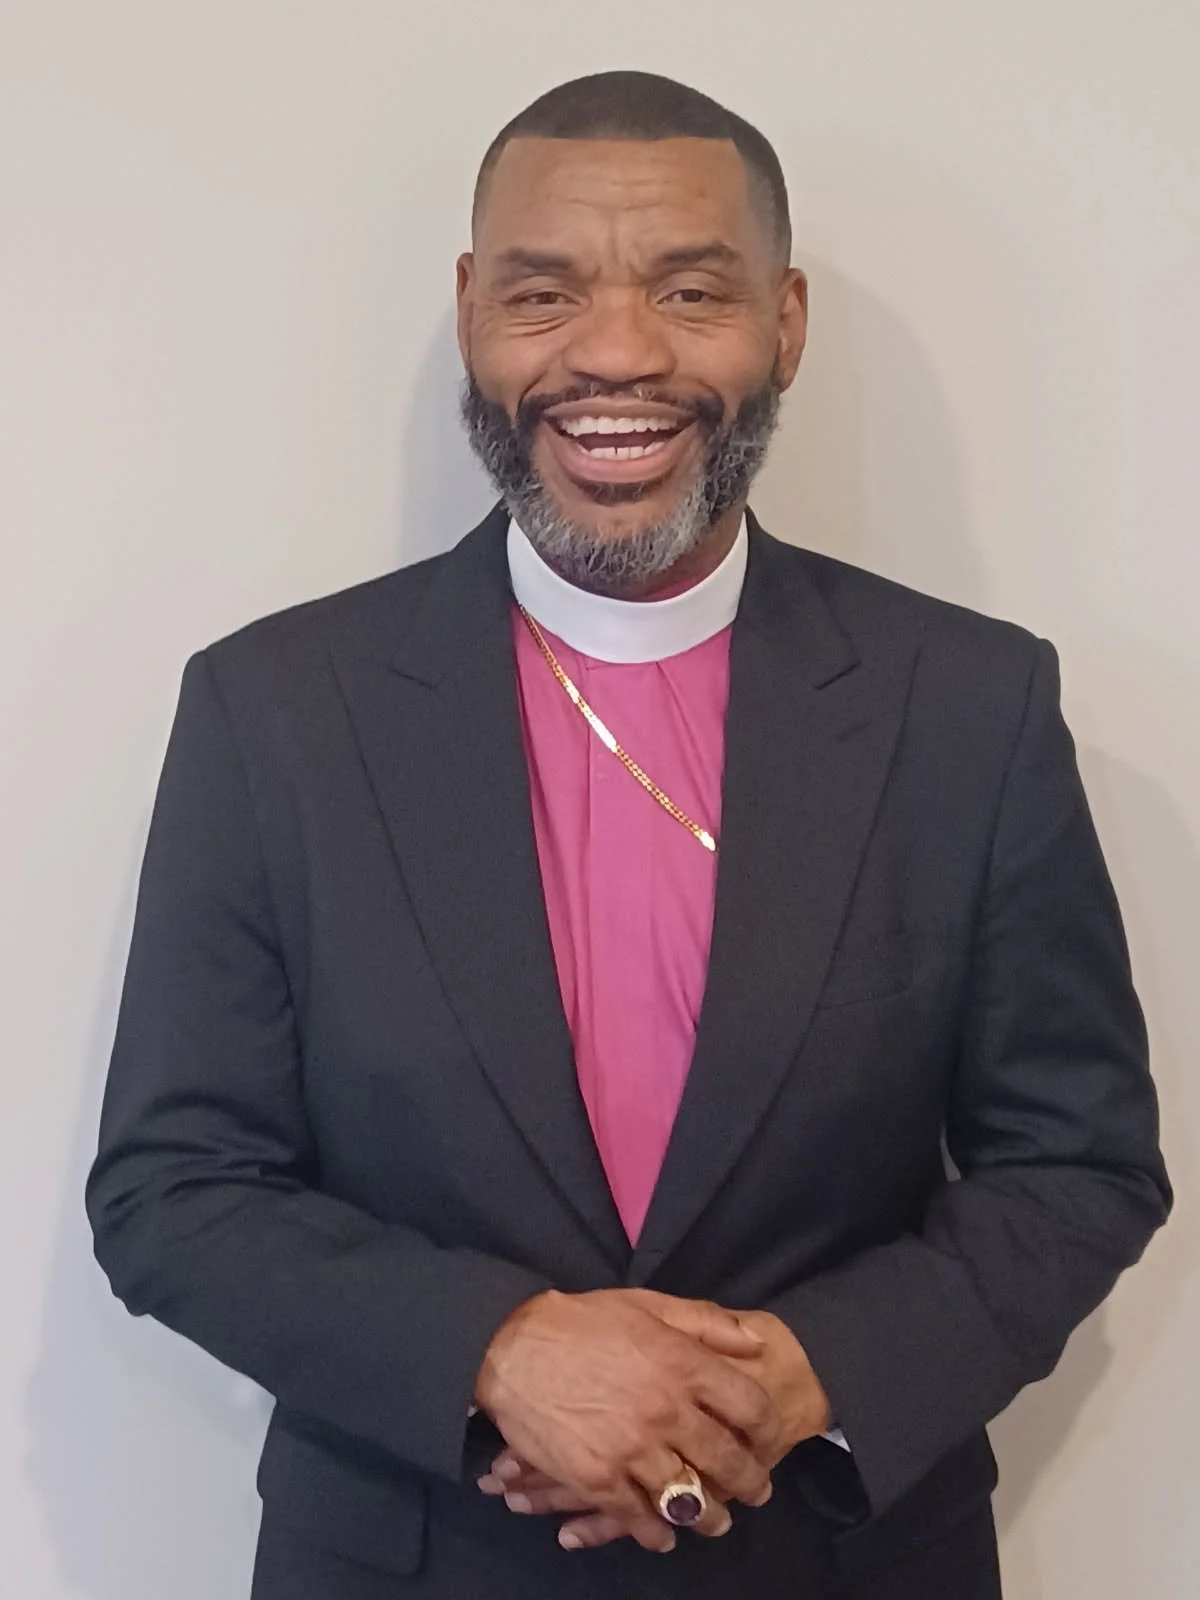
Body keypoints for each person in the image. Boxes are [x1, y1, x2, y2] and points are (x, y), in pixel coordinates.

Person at [86, 69, 1171, 1600]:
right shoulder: (275, 712)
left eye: (689, 290)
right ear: (471, 310)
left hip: (840, 1557)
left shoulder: (970, 706)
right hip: (414, 1561)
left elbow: (1076, 1161)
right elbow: (174, 1187)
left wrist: (809, 1373)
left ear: (785, 322)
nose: (615, 352)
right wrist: (500, 1351)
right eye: (544, 292)